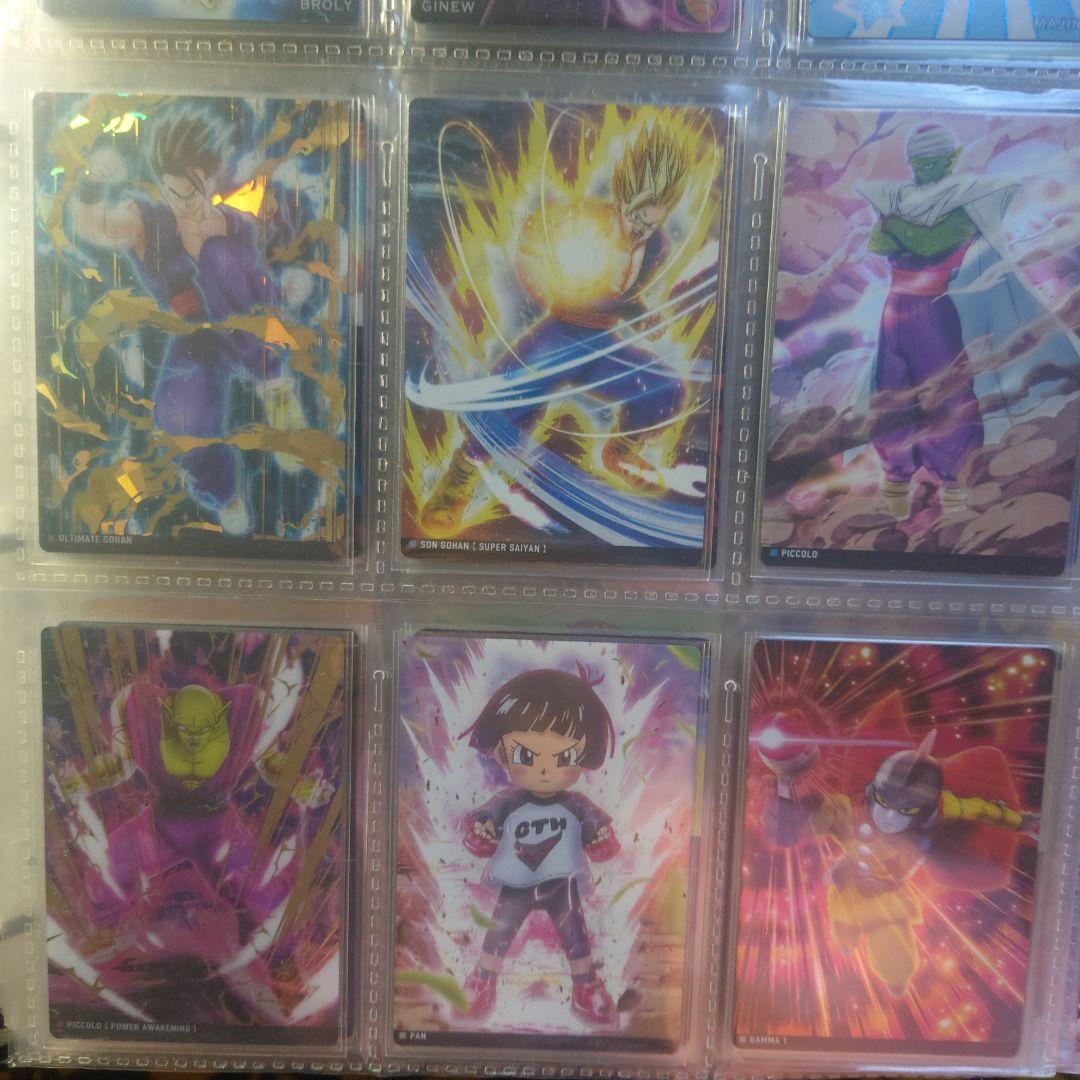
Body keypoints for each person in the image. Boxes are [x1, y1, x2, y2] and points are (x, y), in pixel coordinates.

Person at [419, 124, 691, 538]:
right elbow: (540, 265)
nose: (641, 230)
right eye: (636, 218)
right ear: (622, 197)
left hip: (602, 344)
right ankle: (463, 471)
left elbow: (625, 298)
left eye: (651, 224)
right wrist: (540, 247)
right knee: (507, 398)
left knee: (666, 389)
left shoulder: (656, 248)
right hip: (560, 333)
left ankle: (622, 448)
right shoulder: (583, 221)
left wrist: (640, 315)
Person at [68, 101, 306, 535]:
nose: (186, 206)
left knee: (220, 256)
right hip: (198, 337)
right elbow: (96, 227)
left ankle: (275, 386)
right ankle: (224, 491)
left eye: (194, 194)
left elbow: (267, 273)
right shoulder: (149, 220)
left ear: (212, 179)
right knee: (178, 424)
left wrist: (290, 288)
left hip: (252, 328)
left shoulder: (234, 218)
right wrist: (90, 184)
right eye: (174, 193)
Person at [460, 668, 621, 1025]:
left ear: (585, 757)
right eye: (526, 755)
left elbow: (599, 834)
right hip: (516, 882)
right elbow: (483, 824)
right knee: (499, 930)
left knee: (575, 934)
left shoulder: (576, 804)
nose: (545, 771)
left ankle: (585, 986)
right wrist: (481, 833)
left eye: (564, 758)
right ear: (501, 752)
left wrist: (602, 841)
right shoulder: (508, 801)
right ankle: (482, 981)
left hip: (561, 883)